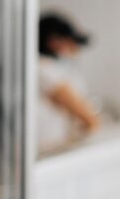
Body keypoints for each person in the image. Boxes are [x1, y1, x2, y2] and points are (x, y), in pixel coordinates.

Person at [36, 11, 100, 151]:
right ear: (54, 41)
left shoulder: (55, 67)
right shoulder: (43, 69)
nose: (75, 49)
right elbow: (83, 114)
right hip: (48, 147)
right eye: (70, 43)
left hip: (56, 145)